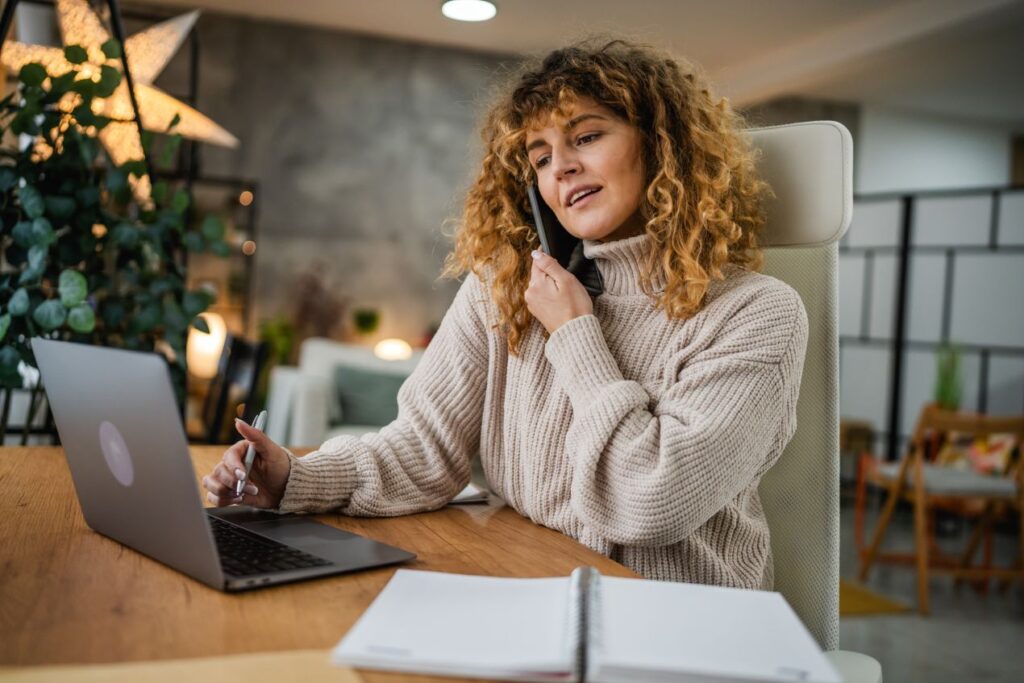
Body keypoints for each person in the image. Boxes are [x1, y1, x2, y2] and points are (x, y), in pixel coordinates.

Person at [203, 38, 808, 589]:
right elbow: (423, 447)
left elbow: (647, 502)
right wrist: (292, 477)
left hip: (683, 629)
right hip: (532, 588)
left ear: (663, 144)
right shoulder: (506, 284)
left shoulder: (755, 312)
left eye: (587, 136)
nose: (561, 168)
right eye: (540, 157)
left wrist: (574, 332)